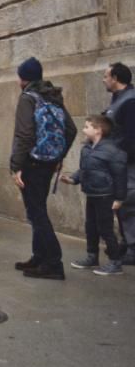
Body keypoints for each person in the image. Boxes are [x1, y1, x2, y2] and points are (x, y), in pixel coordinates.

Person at [9, 57, 77, 280]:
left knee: (37, 213)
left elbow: (24, 134)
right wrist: (59, 156)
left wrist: (16, 167)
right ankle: (39, 256)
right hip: (48, 163)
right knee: (36, 209)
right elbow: (71, 130)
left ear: (23, 78)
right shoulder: (52, 96)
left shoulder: (28, 98)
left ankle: (53, 263)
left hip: (32, 162)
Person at [61, 115, 127, 276]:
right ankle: (92, 257)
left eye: (87, 127)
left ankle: (115, 262)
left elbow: (120, 175)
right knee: (90, 226)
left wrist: (119, 198)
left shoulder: (112, 150)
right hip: (91, 192)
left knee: (106, 229)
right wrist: (72, 179)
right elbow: (84, 170)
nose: (83, 130)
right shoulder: (87, 148)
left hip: (105, 195)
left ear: (98, 130)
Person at [102, 61, 135, 265]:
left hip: (128, 162)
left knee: (129, 204)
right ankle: (126, 243)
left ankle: (133, 247)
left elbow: (131, 136)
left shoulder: (130, 101)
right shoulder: (118, 99)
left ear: (115, 78)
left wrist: (120, 157)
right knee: (120, 205)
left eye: (106, 76)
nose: (104, 79)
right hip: (118, 162)